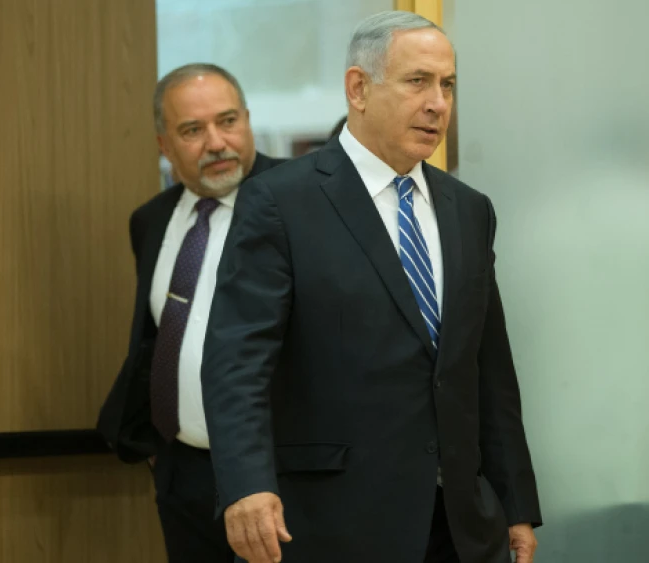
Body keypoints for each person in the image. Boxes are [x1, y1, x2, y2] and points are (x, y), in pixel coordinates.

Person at [201, 12, 542, 563]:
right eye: (418, 81)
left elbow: (489, 369)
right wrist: (245, 484)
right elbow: (236, 363)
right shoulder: (280, 202)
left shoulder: (469, 210)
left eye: (447, 85)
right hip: (333, 522)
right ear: (358, 88)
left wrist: (516, 501)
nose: (438, 103)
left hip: (461, 526)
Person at [96, 63, 285, 563]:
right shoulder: (151, 221)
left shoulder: (299, 201)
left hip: (279, 478)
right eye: (193, 130)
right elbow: (158, 335)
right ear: (164, 145)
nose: (217, 142)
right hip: (183, 475)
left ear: (247, 119)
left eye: (228, 121)